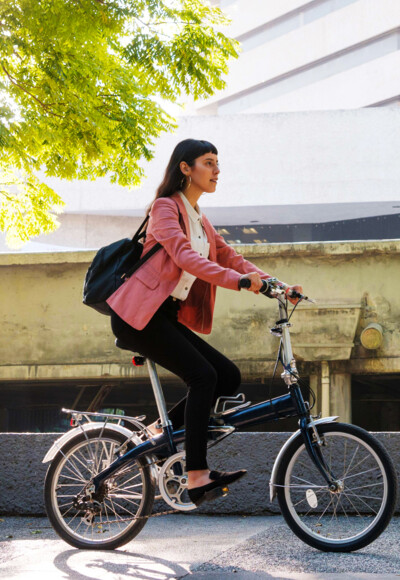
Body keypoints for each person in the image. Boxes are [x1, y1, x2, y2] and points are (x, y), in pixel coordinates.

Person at [105, 138, 302, 505]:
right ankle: (196, 474)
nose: (216, 170)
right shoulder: (165, 209)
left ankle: (159, 435)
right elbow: (182, 256)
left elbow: (231, 257)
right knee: (203, 376)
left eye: (217, 163)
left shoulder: (200, 219)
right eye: (208, 163)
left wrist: (278, 286)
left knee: (226, 376)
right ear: (186, 168)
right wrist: (238, 283)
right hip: (137, 316)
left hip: (162, 317)